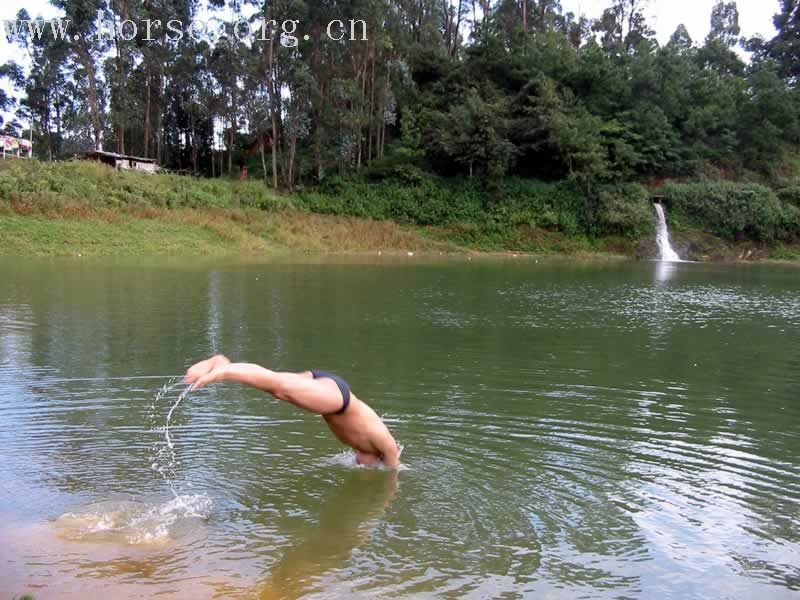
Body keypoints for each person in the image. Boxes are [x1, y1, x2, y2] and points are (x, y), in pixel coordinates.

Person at [185, 355, 401, 468]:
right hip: (338, 401)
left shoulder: (363, 449)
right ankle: (223, 370)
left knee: (276, 384)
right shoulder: (385, 445)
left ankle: (225, 364)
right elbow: (393, 472)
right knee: (279, 387)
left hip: (331, 391)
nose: (364, 465)